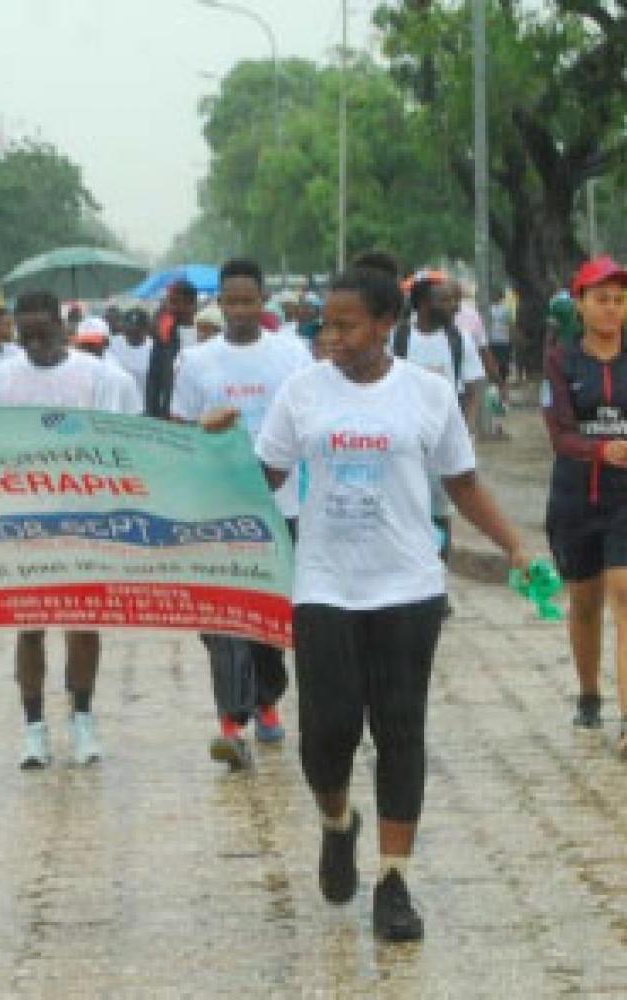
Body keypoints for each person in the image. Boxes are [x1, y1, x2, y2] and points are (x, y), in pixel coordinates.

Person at [249, 251, 527, 942]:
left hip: (408, 585)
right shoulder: (303, 393)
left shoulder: (427, 394)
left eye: (347, 326)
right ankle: (337, 824)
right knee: (328, 733)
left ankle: (394, 881)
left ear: (385, 323)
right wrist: (212, 453)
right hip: (323, 586)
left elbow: (462, 483)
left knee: (400, 730)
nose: (332, 338)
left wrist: (515, 547)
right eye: (326, 326)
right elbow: (265, 472)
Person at [0, 291, 138, 769]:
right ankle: (33, 728)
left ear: (60, 325)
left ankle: (83, 717)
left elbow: (129, 443)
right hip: (24, 520)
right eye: (23, 334)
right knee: (29, 626)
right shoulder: (0, 379)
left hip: (85, 519)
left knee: (83, 621)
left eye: (41, 332)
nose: (32, 342)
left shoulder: (101, 378)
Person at [172, 258, 313, 770]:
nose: (238, 311)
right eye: (229, 302)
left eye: (247, 301)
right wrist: (206, 432)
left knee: (269, 617)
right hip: (215, 509)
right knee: (222, 620)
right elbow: (179, 431)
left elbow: (309, 420)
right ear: (220, 305)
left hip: (280, 506)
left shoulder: (292, 355)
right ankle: (231, 724)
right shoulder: (196, 362)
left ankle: (268, 699)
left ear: (263, 301)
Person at [542, 255, 627, 757]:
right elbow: (560, 433)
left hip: (625, 498)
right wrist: (601, 448)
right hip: (576, 496)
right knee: (587, 603)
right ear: (580, 304)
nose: (612, 310)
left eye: (619, 301)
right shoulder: (561, 360)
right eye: (601, 300)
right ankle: (590, 692)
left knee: (625, 594)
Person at [394, 272, 485, 564]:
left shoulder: (459, 341)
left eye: (455, 300)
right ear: (422, 303)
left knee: (440, 511)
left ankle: (439, 569)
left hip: (443, 442)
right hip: (403, 441)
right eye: (445, 300)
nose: (454, 306)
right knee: (403, 506)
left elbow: (473, 388)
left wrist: (467, 430)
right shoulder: (399, 338)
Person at [146, 280, 197, 418]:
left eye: (174, 302)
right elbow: (153, 380)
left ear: (191, 304)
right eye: (169, 302)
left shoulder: (205, 334)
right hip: (169, 413)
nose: (169, 307)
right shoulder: (164, 337)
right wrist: (152, 415)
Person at [71, 317, 143, 414]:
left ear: (106, 343)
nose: (87, 348)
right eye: (83, 344)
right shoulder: (69, 373)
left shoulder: (121, 377)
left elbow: (135, 413)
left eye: (92, 344)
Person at [108, 306, 153, 401]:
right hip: (117, 404)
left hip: (144, 405)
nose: (132, 334)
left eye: (137, 331)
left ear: (146, 329)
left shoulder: (153, 348)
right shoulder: (112, 344)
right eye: (129, 330)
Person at [488, 288, 515, 408]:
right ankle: (503, 400)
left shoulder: (489, 310)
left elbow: (510, 326)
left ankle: (501, 399)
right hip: (501, 342)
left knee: (497, 370)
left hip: (496, 342)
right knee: (501, 371)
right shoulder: (504, 310)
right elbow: (511, 326)